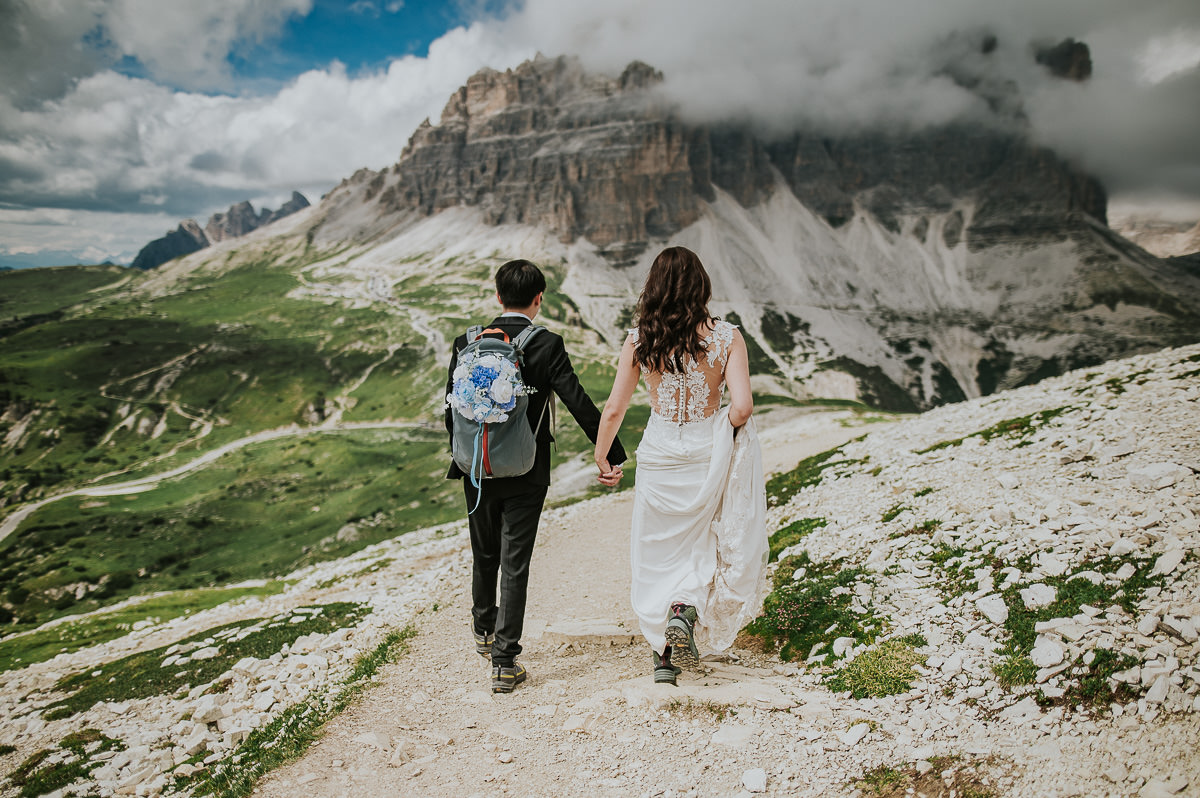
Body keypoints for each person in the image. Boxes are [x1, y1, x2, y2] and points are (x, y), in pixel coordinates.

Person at [446, 259, 627, 693]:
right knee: (515, 562)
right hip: (527, 471)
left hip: (476, 467)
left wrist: (466, 455)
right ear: (539, 298)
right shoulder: (546, 343)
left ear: (498, 296)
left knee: (484, 552)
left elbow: (450, 408)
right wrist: (609, 454)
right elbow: (576, 399)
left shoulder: (466, 343)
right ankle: (505, 662)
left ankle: (483, 630)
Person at [593, 246, 768, 685]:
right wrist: (720, 427)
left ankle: (663, 657)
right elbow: (742, 407)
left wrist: (602, 454)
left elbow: (614, 408)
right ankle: (683, 610)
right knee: (700, 542)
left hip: (660, 454)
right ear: (700, 285)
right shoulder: (727, 337)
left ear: (653, 287)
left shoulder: (639, 339)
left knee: (655, 550)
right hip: (706, 452)